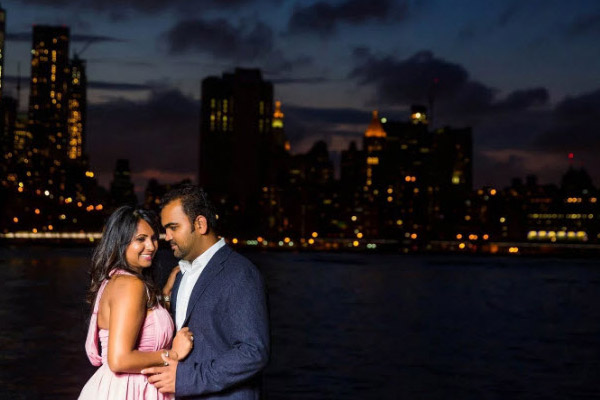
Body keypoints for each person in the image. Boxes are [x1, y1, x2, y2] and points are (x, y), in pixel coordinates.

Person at [141, 185, 270, 399]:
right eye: (165, 229)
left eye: (173, 227)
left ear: (200, 224)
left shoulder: (240, 273)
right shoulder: (180, 274)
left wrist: (185, 379)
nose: (167, 236)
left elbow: (253, 352)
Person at [79, 206, 194, 400]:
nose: (151, 246)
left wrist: (165, 295)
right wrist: (172, 354)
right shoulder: (131, 285)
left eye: (154, 238)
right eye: (140, 239)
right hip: (128, 391)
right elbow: (119, 360)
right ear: (120, 242)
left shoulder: (116, 280)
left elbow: (144, 328)